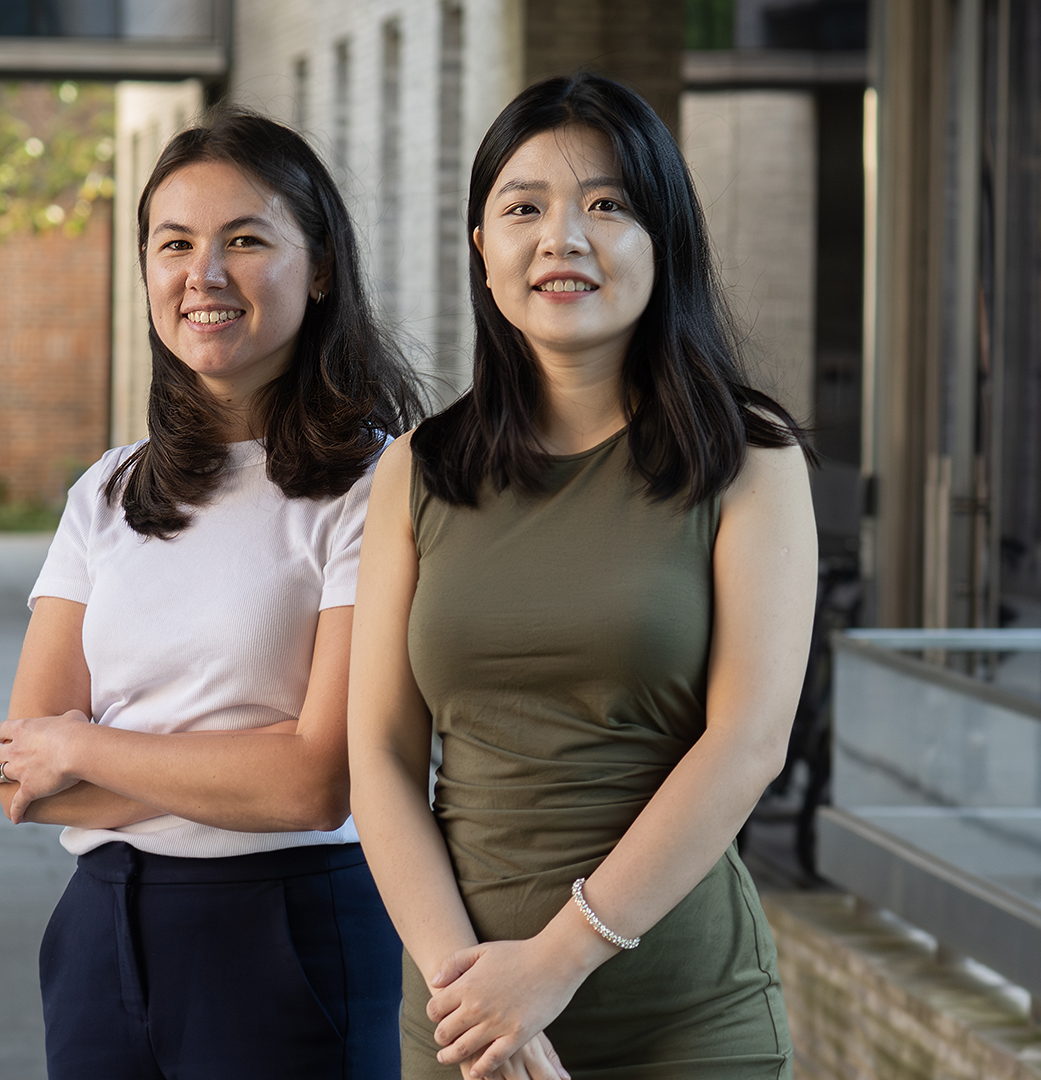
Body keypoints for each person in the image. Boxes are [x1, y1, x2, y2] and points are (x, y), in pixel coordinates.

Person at [348, 73, 818, 1080]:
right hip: (464, 1016)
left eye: (608, 205)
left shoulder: (750, 458)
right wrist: (473, 996)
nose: (564, 237)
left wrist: (551, 969)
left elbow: (748, 744)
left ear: (665, 241)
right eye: (524, 208)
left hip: (686, 1024)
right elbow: (381, 758)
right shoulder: (417, 472)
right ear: (483, 247)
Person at [0, 108, 420, 1080]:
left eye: (246, 240)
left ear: (319, 269)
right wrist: (239, 763)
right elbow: (22, 779)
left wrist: (88, 747)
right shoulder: (108, 490)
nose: (204, 275)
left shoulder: (375, 486)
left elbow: (315, 785)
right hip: (102, 938)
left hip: (288, 934)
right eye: (174, 244)